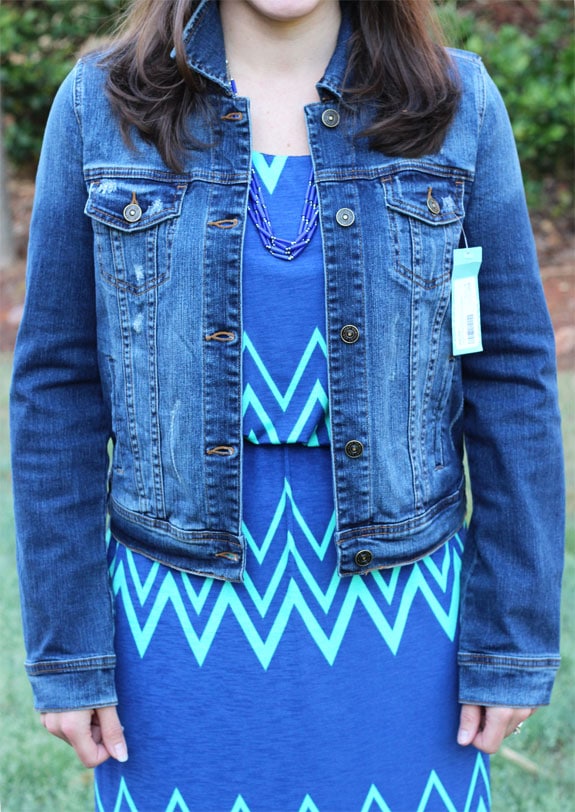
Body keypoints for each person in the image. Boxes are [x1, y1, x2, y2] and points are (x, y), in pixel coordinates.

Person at [10, 0, 564, 810]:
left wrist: (510, 641)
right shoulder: (100, 106)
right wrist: (70, 655)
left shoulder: (455, 104)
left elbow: (510, 377)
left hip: (404, 621)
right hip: (170, 626)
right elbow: (54, 391)